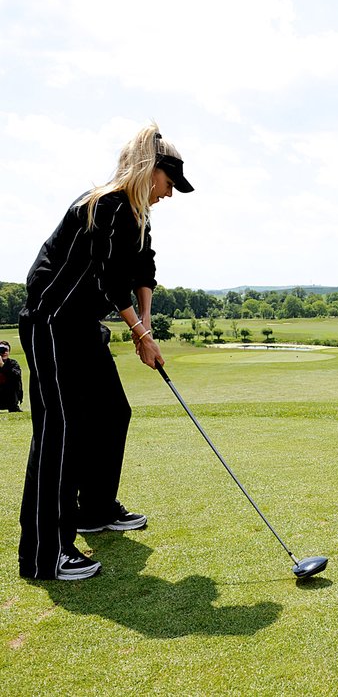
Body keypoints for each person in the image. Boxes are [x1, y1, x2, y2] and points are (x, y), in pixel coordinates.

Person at [18, 123, 194, 581]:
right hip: (52, 323)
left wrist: (147, 328)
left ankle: (93, 510)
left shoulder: (137, 216)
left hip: (83, 326)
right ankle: (44, 555)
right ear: (150, 171)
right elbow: (105, 278)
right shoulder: (104, 205)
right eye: (169, 182)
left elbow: (143, 271)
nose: (170, 194)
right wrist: (137, 333)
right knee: (59, 431)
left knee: (113, 412)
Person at [0, 340, 23, 412]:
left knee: (13, 382)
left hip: (10, 398)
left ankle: (13, 407)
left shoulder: (13, 363)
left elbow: (16, 376)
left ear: (9, 352)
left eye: (6, 350)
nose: (4, 352)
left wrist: (2, 366)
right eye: (1, 350)